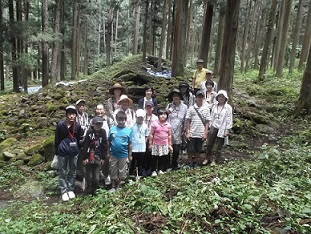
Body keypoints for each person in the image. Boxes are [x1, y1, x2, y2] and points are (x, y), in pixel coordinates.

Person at [54, 105, 83, 201]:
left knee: (72, 171)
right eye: (70, 114)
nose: (72, 116)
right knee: (62, 171)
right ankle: (63, 190)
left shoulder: (77, 126)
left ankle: (71, 189)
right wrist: (56, 152)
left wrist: (78, 150)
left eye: (73, 114)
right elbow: (57, 139)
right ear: (66, 115)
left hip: (73, 152)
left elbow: (79, 139)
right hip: (62, 151)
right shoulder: (60, 125)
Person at [204, 90, 233, 165]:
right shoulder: (214, 106)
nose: (221, 98)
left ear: (225, 98)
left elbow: (229, 118)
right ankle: (207, 158)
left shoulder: (228, 107)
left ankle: (215, 159)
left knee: (219, 145)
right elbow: (211, 115)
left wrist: (227, 129)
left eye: (222, 97)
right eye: (219, 96)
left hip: (222, 127)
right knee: (209, 143)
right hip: (214, 126)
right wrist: (210, 125)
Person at [89, 104, 114, 186]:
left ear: (104, 110)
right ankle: (96, 178)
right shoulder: (92, 121)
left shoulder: (109, 120)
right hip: (94, 143)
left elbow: (112, 131)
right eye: (98, 109)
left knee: (105, 160)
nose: (99, 111)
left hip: (106, 142)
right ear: (95, 110)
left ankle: (106, 176)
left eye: (101, 109)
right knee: (94, 161)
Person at [82, 117, 108, 195]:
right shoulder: (89, 132)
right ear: (93, 124)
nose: (98, 126)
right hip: (89, 155)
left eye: (100, 124)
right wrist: (84, 157)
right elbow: (85, 144)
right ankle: (88, 191)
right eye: (96, 124)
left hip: (98, 156)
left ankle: (95, 191)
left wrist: (103, 157)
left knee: (96, 177)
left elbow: (104, 145)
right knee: (89, 175)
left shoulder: (103, 132)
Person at [185, 90, 211, 168]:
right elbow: (188, 120)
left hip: (201, 132)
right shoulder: (191, 108)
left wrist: (205, 133)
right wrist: (187, 132)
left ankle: (195, 161)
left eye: (201, 97)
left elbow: (207, 122)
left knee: (198, 149)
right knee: (190, 148)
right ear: (195, 98)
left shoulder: (206, 109)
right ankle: (189, 162)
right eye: (198, 97)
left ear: (204, 98)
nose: (200, 98)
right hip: (192, 131)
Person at [108, 111, 132, 192]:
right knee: (113, 169)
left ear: (125, 120)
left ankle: (119, 185)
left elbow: (130, 144)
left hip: (123, 154)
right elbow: (109, 142)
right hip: (113, 154)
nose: (121, 121)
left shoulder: (128, 130)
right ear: (116, 120)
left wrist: (130, 154)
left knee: (122, 170)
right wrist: (108, 152)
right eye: (119, 120)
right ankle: (113, 186)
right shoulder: (112, 129)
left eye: (123, 120)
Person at [166, 89, 188, 170]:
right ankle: (167, 164)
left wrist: (185, 129)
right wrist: (167, 112)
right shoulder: (169, 106)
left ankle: (174, 163)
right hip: (169, 129)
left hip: (179, 129)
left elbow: (186, 119)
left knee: (176, 149)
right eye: (174, 96)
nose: (176, 98)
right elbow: (164, 117)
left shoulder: (185, 107)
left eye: (177, 96)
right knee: (168, 147)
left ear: (180, 97)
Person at [149, 109, 172, 177]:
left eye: (165, 114)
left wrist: (170, 145)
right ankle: (153, 170)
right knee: (155, 157)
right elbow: (151, 134)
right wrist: (150, 143)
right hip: (156, 144)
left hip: (164, 144)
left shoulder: (168, 125)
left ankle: (160, 169)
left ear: (167, 116)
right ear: (158, 115)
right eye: (161, 114)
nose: (163, 116)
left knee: (162, 157)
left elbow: (169, 135)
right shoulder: (155, 124)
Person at [129, 109, 149, 178]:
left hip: (142, 147)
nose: (140, 119)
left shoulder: (145, 126)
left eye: (141, 117)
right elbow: (129, 136)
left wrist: (145, 143)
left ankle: (140, 174)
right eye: (138, 117)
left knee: (140, 162)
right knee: (133, 162)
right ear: (136, 117)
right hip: (134, 147)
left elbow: (146, 136)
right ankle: (131, 174)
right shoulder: (132, 126)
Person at [75, 99, 89, 189]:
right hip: (76, 140)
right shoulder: (74, 115)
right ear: (77, 106)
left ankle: (84, 178)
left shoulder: (86, 115)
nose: (81, 107)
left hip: (84, 140)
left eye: (83, 105)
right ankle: (77, 178)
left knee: (84, 158)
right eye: (79, 105)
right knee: (76, 159)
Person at [143, 100, 158, 176]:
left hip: (152, 138)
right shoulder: (142, 116)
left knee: (151, 154)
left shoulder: (155, 118)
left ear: (153, 108)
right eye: (147, 107)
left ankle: (151, 169)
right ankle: (144, 169)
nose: (148, 109)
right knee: (144, 154)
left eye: (150, 107)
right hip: (143, 138)